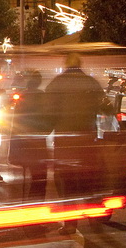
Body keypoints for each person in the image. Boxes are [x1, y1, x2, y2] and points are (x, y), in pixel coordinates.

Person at [43, 53, 107, 199]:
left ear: (66, 64)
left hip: (64, 138)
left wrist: (44, 130)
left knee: (65, 177)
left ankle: (69, 206)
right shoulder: (90, 82)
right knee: (88, 175)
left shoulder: (57, 83)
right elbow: (106, 106)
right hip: (87, 136)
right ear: (79, 64)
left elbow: (49, 111)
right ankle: (88, 204)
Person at [8, 70, 50, 200]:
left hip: (23, 143)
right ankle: (36, 201)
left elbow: (16, 124)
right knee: (39, 178)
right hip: (38, 143)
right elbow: (47, 120)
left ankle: (26, 202)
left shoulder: (22, 97)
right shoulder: (43, 97)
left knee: (24, 180)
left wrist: (13, 151)